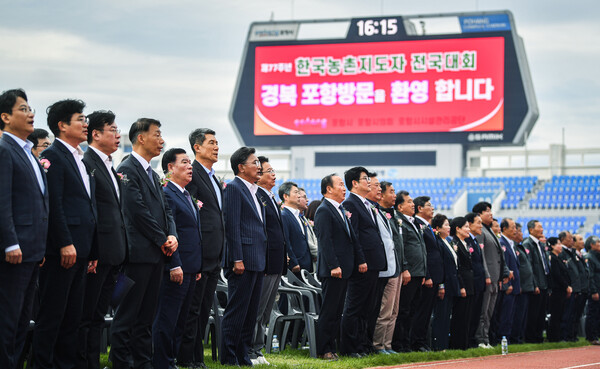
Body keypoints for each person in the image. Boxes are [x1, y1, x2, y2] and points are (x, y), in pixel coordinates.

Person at [33, 99, 99, 369]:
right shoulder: (53, 157)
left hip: (82, 250)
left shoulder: (80, 158)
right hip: (63, 251)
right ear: (62, 126)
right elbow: (54, 204)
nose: (86, 124)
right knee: (52, 317)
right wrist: (65, 243)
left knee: (73, 317)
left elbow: (88, 207)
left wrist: (93, 250)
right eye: (80, 119)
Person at [110, 118, 178, 369]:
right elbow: (136, 212)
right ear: (141, 138)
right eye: (157, 135)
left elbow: (166, 210)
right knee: (128, 315)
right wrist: (162, 239)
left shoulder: (154, 173)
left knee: (146, 317)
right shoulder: (127, 169)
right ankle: (121, 363)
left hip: (156, 255)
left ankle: (143, 363)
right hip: (137, 255)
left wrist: (172, 236)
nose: (162, 140)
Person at [0, 89, 48, 369]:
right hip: (14, 250)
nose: (30, 113)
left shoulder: (29, 153)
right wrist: (10, 243)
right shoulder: (5, 151)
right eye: (22, 109)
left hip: (33, 249)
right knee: (8, 319)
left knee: (21, 321)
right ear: (5, 117)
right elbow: (3, 201)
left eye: (31, 109)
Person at [78, 110, 127, 369]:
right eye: (112, 130)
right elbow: (91, 212)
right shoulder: (87, 163)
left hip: (113, 253)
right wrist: (92, 252)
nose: (118, 135)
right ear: (95, 134)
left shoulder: (110, 165)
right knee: (87, 315)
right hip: (97, 254)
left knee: (98, 315)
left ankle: (93, 362)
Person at [178, 128, 225, 369]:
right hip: (199, 253)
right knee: (192, 309)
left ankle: (196, 357)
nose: (216, 147)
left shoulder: (213, 176)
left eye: (217, 142)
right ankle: (188, 357)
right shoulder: (193, 173)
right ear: (197, 147)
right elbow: (190, 215)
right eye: (211, 143)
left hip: (214, 255)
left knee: (203, 308)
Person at [152, 148, 203, 369]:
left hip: (192, 267)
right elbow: (169, 233)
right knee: (167, 318)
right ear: (170, 168)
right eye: (184, 162)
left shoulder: (185, 194)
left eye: (190, 162)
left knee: (182, 320)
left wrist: (197, 266)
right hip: (177, 266)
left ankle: (171, 360)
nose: (190, 166)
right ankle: (162, 362)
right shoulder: (167, 193)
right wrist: (175, 264)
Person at [220, 147, 267, 366]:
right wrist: (236, 258)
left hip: (257, 259)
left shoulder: (254, 191)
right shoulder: (234, 189)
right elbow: (232, 226)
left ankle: (243, 355)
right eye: (254, 162)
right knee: (237, 311)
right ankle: (229, 357)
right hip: (242, 261)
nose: (259, 167)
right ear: (241, 167)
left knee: (250, 314)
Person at [313, 174, 360, 360]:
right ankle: (323, 349)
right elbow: (325, 240)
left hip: (344, 269)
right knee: (329, 311)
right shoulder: (324, 210)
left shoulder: (340, 209)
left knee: (337, 311)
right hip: (333, 270)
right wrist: (334, 265)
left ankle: (332, 347)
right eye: (340, 184)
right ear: (329, 189)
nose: (344, 188)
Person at [340, 167, 384, 356]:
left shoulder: (366, 204)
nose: (369, 182)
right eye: (365, 179)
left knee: (368, 308)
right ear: (354, 183)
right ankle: (350, 348)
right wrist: (361, 260)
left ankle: (363, 345)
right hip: (362, 265)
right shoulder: (351, 204)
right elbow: (354, 235)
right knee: (354, 307)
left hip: (374, 264)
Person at [251, 156, 287, 365]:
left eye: (274, 171)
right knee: (258, 308)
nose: (273, 175)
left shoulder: (270, 197)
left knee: (266, 311)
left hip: (276, 260)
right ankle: (250, 349)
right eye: (269, 171)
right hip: (265, 260)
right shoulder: (258, 197)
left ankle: (258, 349)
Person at [373, 181, 406, 354]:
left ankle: (388, 344)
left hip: (398, 267)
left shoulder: (394, 216)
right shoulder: (379, 213)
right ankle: (379, 344)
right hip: (388, 268)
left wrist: (404, 266)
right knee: (385, 309)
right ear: (382, 195)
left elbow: (399, 243)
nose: (394, 195)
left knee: (394, 311)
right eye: (391, 192)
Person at [364, 175, 397, 352]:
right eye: (374, 185)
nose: (376, 189)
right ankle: (376, 345)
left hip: (390, 267)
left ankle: (385, 344)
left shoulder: (378, 211)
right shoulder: (367, 209)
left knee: (390, 311)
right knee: (379, 310)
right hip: (376, 267)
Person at [392, 191, 427, 353]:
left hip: (418, 273)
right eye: (409, 202)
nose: (413, 204)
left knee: (413, 310)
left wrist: (423, 271)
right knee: (404, 310)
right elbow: (402, 247)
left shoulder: (412, 222)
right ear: (400, 206)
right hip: (409, 273)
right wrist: (405, 268)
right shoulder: (400, 222)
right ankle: (399, 344)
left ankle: (408, 343)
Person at [473, 202, 510, 349]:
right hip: (488, 277)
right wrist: (487, 275)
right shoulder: (481, 232)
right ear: (479, 214)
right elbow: (481, 254)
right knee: (483, 310)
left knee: (489, 311)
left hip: (495, 277)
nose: (491, 214)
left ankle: (486, 339)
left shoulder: (490, 231)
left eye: (491, 211)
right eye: (487, 211)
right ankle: (480, 339)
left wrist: (502, 274)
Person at [412, 196, 444, 352]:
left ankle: (423, 341)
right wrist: (428, 275)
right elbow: (423, 253)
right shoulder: (417, 225)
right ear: (420, 208)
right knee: (422, 311)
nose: (432, 208)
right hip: (427, 275)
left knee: (427, 312)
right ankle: (417, 342)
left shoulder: (428, 227)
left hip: (435, 276)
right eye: (429, 205)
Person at [431, 214, 460, 351]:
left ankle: (444, 344)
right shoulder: (438, 242)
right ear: (437, 228)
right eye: (446, 225)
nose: (449, 227)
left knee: (447, 316)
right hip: (444, 284)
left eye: (449, 224)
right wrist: (441, 285)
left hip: (452, 284)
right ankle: (438, 345)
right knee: (440, 316)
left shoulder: (448, 241)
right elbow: (441, 265)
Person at [449, 217, 474, 350]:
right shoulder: (455, 243)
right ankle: (457, 344)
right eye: (466, 227)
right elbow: (457, 267)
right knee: (460, 315)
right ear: (457, 229)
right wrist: (462, 286)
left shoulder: (466, 243)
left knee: (468, 316)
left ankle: (465, 343)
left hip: (470, 283)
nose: (468, 229)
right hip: (462, 283)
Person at [465, 212, 489, 348]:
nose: (481, 226)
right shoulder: (467, 241)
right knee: (471, 314)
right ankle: (468, 340)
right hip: (472, 283)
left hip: (479, 284)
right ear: (469, 224)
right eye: (478, 223)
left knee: (476, 314)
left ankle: (473, 340)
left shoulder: (474, 240)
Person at [523, 219, 549, 343]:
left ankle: (539, 336)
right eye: (539, 227)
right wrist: (534, 284)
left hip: (544, 282)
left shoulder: (541, 245)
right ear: (531, 229)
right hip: (536, 283)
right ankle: (531, 337)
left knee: (541, 312)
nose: (542, 229)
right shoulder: (528, 244)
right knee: (533, 312)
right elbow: (530, 266)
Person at [497, 218, 520, 343]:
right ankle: (503, 337)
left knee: (511, 314)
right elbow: (504, 265)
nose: (515, 230)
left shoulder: (511, 244)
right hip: (508, 286)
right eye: (513, 227)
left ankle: (509, 337)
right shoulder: (502, 244)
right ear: (504, 229)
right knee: (505, 314)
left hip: (515, 286)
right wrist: (508, 284)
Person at [281, 182, 313, 275]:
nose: (299, 196)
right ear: (286, 196)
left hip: (306, 265)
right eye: (295, 192)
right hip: (296, 266)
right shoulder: (284, 216)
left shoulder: (299, 216)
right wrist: (293, 262)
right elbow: (286, 241)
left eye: (299, 193)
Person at [511, 223, 534, 344]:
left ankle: (520, 337)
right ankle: (515, 337)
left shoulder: (520, 247)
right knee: (518, 314)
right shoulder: (513, 247)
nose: (521, 234)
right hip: (520, 286)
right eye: (519, 231)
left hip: (526, 286)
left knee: (523, 315)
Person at [547, 237, 572, 342]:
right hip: (557, 290)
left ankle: (559, 336)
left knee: (560, 313)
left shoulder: (559, 258)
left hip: (561, 290)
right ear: (552, 246)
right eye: (558, 244)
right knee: (556, 314)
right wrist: (566, 286)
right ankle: (554, 337)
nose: (560, 246)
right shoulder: (552, 258)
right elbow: (557, 275)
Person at [558, 231, 581, 341]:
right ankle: (564, 335)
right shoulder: (562, 252)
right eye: (570, 238)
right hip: (568, 288)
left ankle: (570, 335)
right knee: (566, 313)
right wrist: (568, 286)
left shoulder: (570, 252)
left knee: (572, 313)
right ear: (563, 239)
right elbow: (565, 272)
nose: (572, 240)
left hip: (574, 287)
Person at [298, 188, 318, 271]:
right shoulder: (295, 217)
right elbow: (309, 243)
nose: (307, 200)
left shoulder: (304, 218)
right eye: (304, 197)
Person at [585, 236, 600, 345]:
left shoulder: (597, 257)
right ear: (592, 245)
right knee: (593, 313)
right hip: (595, 290)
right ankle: (591, 336)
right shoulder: (589, 257)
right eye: (598, 242)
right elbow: (590, 276)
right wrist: (594, 291)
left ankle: (596, 335)